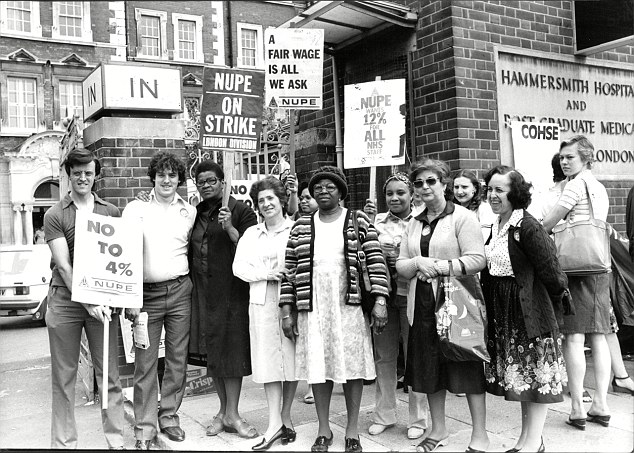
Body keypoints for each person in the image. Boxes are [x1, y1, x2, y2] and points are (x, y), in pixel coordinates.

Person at [280, 165, 389, 453]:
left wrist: (380, 301)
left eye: (330, 187)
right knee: (319, 366)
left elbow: (376, 260)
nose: (323, 191)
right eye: (318, 187)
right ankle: (323, 429)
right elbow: (289, 270)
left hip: (348, 303)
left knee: (352, 365)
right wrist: (287, 310)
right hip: (313, 305)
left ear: (341, 192)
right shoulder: (301, 225)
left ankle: (352, 430)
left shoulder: (357, 220)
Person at [395, 159, 489, 453]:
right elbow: (401, 265)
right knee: (429, 369)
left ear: (444, 183)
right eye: (419, 183)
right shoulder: (414, 222)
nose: (424, 187)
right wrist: (417, 262)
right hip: (422, 305)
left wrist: (438, 266)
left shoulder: (462, 217)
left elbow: (477, 259)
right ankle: (438, 429)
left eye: (431, 181)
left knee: (467, 368)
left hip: (456, 304)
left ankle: (480, 435)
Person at [482, 165, 571, 453]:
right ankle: (527, 438)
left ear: (515, 193)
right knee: (522, 378)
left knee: (535, 376)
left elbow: (551, 269)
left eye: (500, 190)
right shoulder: (498, 223)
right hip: (505, 311)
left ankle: (533, 441)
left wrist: (557, 303)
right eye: (490, 189)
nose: (492, 195)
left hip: (528, 311)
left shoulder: (528, 226)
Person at [43, 148, 124, 449]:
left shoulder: (110, 212)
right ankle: (64, 444)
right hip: (66, 300)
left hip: (101, 302)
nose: (82, 178)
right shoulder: (55, 214)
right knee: (64, 377)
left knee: (109, 373)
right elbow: (64, 266)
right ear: (69, 175)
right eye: (77, 173)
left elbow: (118, 259)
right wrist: (87, 302)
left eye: (88, 173)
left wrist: (114, 296)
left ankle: (116, 440)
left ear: (95, 175)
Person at [123, 152, 196, 449]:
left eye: (172, 175)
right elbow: (125, 252)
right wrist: (130, 297)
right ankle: (144, 427)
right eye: (161, 175)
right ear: (153, 177)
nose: (167, 180)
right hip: (146, 295)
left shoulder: (188, 212)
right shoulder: (135, 208)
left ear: (179, 179)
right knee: (145, 363)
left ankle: (169, 417)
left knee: (177, 359)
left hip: (180, 291)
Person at [543, 135, 612, 430]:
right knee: (599, 336)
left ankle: (577, 408)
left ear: (586, 159)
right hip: (599, 266)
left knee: (573, 337)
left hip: (574, 268)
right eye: (562, 157)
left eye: (570, 157)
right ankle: (601, 405)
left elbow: (550, 221)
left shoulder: (574, 185)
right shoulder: (599, 187)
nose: (564, 161)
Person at [188, 160, 259, 439]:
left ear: (222, 182)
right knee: (213, 352)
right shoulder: (195, 213)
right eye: (201, 182)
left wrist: (230, 228)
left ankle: (234, 414)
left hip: (231, 292)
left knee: (231, 352)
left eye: (211, 181)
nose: (206, 186)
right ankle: (222, 411)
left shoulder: (241, 211)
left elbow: (252, 249)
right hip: (202, 292)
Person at [363, 173, 430, 441]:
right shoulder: (376, 222)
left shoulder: (422, 221)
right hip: (383, 297)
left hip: (413, 294)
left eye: (400, 192)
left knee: (415, 356)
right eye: (389, 193)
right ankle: (384, 415)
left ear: (411, 194)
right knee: (384, 357)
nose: (394, 198)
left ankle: (418, 418)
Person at [233, 176, 298, 450]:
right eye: (261, 200)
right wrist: (268, 274)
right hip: (261, 300)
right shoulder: (251, 234)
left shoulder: (296, 229)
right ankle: (274, 423)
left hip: (291, 302)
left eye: (271, 198)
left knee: (291, 358)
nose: (266, 204)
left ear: (282, 200)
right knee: (269, 361)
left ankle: (286, 416)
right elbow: (239, 268)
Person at [294, 180, 319, 405]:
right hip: (304, 291)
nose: (303, 201)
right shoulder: (297, 224)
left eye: (307, 198)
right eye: (301, 198)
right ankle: (312, 385)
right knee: (310, 340)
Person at [452, 169, 496, 240]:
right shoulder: (452, 210)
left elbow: (484, 239)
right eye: (456, 187)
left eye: (464, 187)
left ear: (475, 188)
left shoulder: (484, 209)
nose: (459, 192)